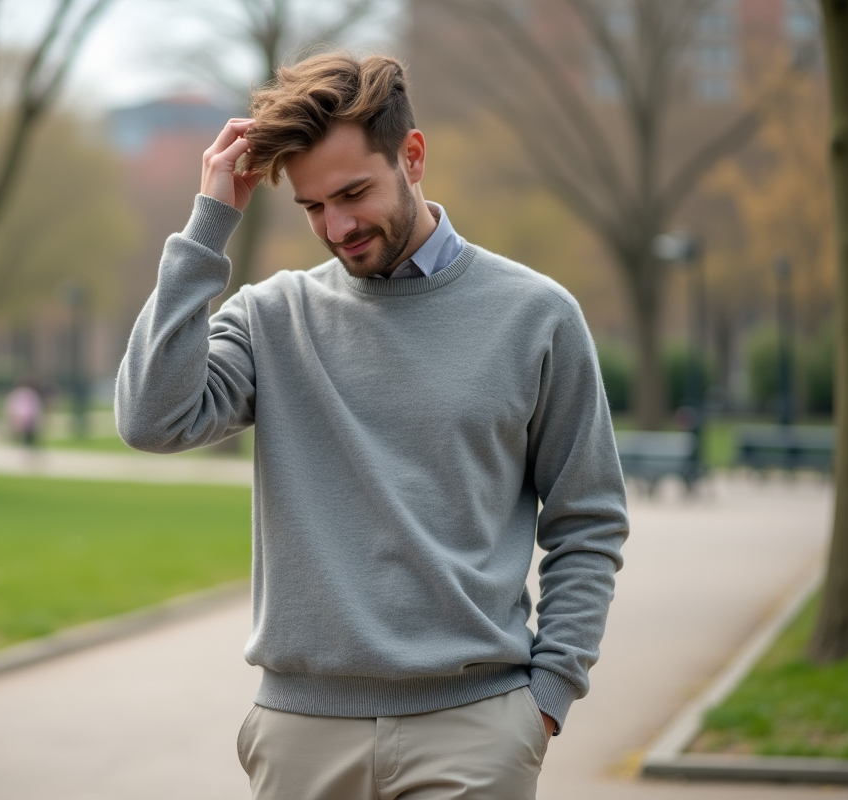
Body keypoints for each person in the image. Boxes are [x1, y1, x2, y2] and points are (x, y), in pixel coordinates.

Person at [116, 52, 628, 800]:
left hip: (474, 730)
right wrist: (209, 224)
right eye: (314, 206)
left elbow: (588, 518)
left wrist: (546, 699)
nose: (338, 225)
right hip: (300, 737)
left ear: (412, 156)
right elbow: (150, 418)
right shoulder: (272, 318)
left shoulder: (537, 316)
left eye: (354, 192)